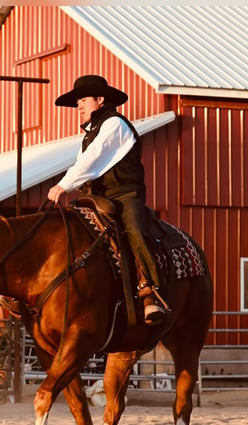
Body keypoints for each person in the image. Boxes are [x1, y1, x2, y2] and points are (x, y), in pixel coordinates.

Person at [48, 74, 167, 325]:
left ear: (100, 99)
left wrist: (64, 185)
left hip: (124, 195)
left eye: (82, 100)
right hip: (95, 196)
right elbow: (84, 162)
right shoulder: (89, 133)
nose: (78, 106)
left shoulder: (115, 124)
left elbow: (94, 158)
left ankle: (150, 291)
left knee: (134, 229)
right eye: (77, 101)